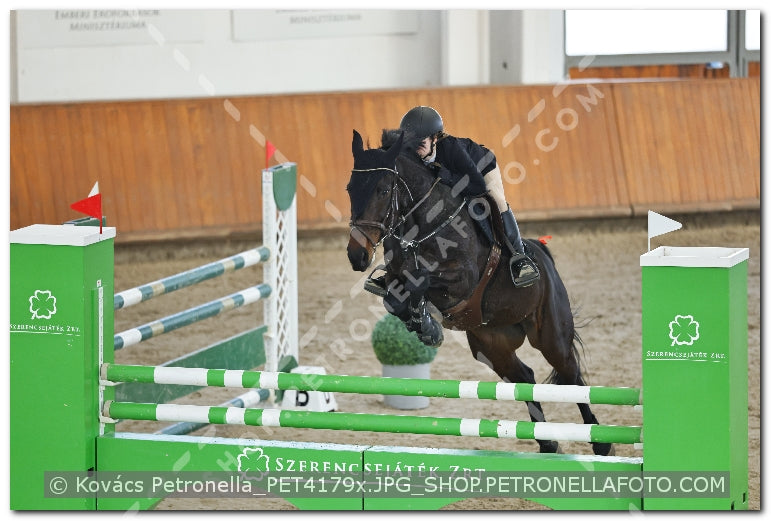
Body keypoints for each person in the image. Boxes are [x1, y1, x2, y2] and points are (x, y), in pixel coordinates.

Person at [399, 105, 539, 287]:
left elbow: (476, 185)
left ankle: (519, 256)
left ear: (434, 138)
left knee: (495, 198)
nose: (414, 149)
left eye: (420, 143)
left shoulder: (451, 148)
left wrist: (444, 176)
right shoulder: (412, 153)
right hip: (454, 178)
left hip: (481, 167)